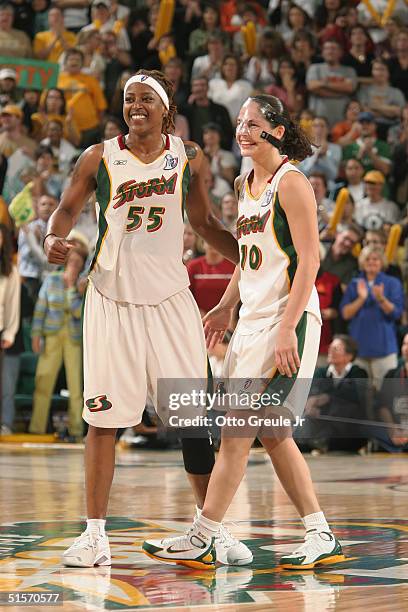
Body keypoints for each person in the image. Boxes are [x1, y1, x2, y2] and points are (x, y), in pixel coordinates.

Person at [43, 70, 251, 568]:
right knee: (102, 420)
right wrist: (53, 238)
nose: (135, 106)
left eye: (145, 100)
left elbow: (203, 223)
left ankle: (209, 529)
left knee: (193, 420)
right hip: (111, 301)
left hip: (171, 303)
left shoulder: (188, 156)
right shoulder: (98, 157)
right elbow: (65, 211)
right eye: (128, 99)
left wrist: (251, 253)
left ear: (166, 108)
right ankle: (95, 535)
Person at [143, 94, 344, 570]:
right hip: (253, 318)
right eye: (239, 123)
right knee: (273, 435)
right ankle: (321, 534)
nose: (243, 131)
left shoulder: (291, 182)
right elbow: (248, 256)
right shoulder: (244, 181)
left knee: (236, 432)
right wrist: (224, 306)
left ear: (275, 129)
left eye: (253, 123)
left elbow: (310, 261)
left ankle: (205, 534)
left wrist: (288, 329)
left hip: (285, 319)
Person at [29, 245, 88, 441]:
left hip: (73, 339)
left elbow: (78, 313)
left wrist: (72, 289)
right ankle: (37, 428)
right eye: (72, 261)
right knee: (43, 381)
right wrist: (35, 335)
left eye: (78, 263)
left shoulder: (82, 285)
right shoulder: (51, 280)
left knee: (75, 386)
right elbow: (40, 309)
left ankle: (76, 430)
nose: (74, 265)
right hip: (52, 336)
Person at [341, 246, 404, 387]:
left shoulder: (392, 283)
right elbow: (345, 313)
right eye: (367, 259)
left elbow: (396, 313)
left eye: (375, 259)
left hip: (384, 349)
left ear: (382, 262)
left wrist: (381, 298)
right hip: (358, 349)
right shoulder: (354, 284)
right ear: (362, 262)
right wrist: (361, 299)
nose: (371, 262)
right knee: (360, 397)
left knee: (386, 395)